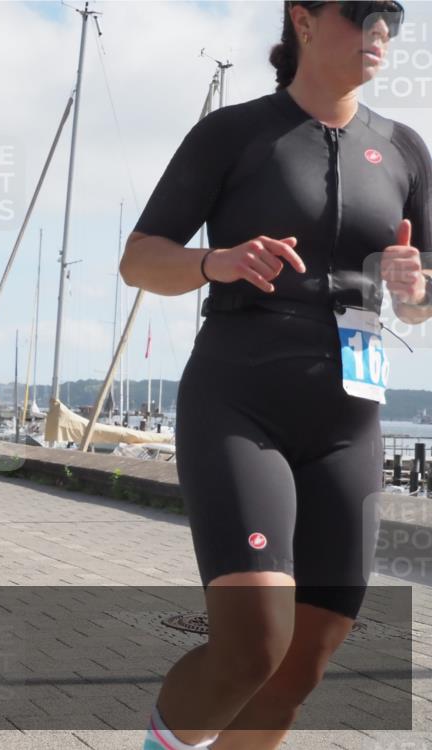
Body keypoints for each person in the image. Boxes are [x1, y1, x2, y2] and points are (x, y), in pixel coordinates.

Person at [120, 3, 431, 749]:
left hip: (348, 418)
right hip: (239, 400)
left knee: (300, 669)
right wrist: (211, 262)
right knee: (253, 646)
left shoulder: (405, 150)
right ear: (304, 19)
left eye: (391, 14)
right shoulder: (233, 134)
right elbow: (139, 258)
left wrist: (416, 290)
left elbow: (423, 302)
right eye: (361, 11)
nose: (381, 27)